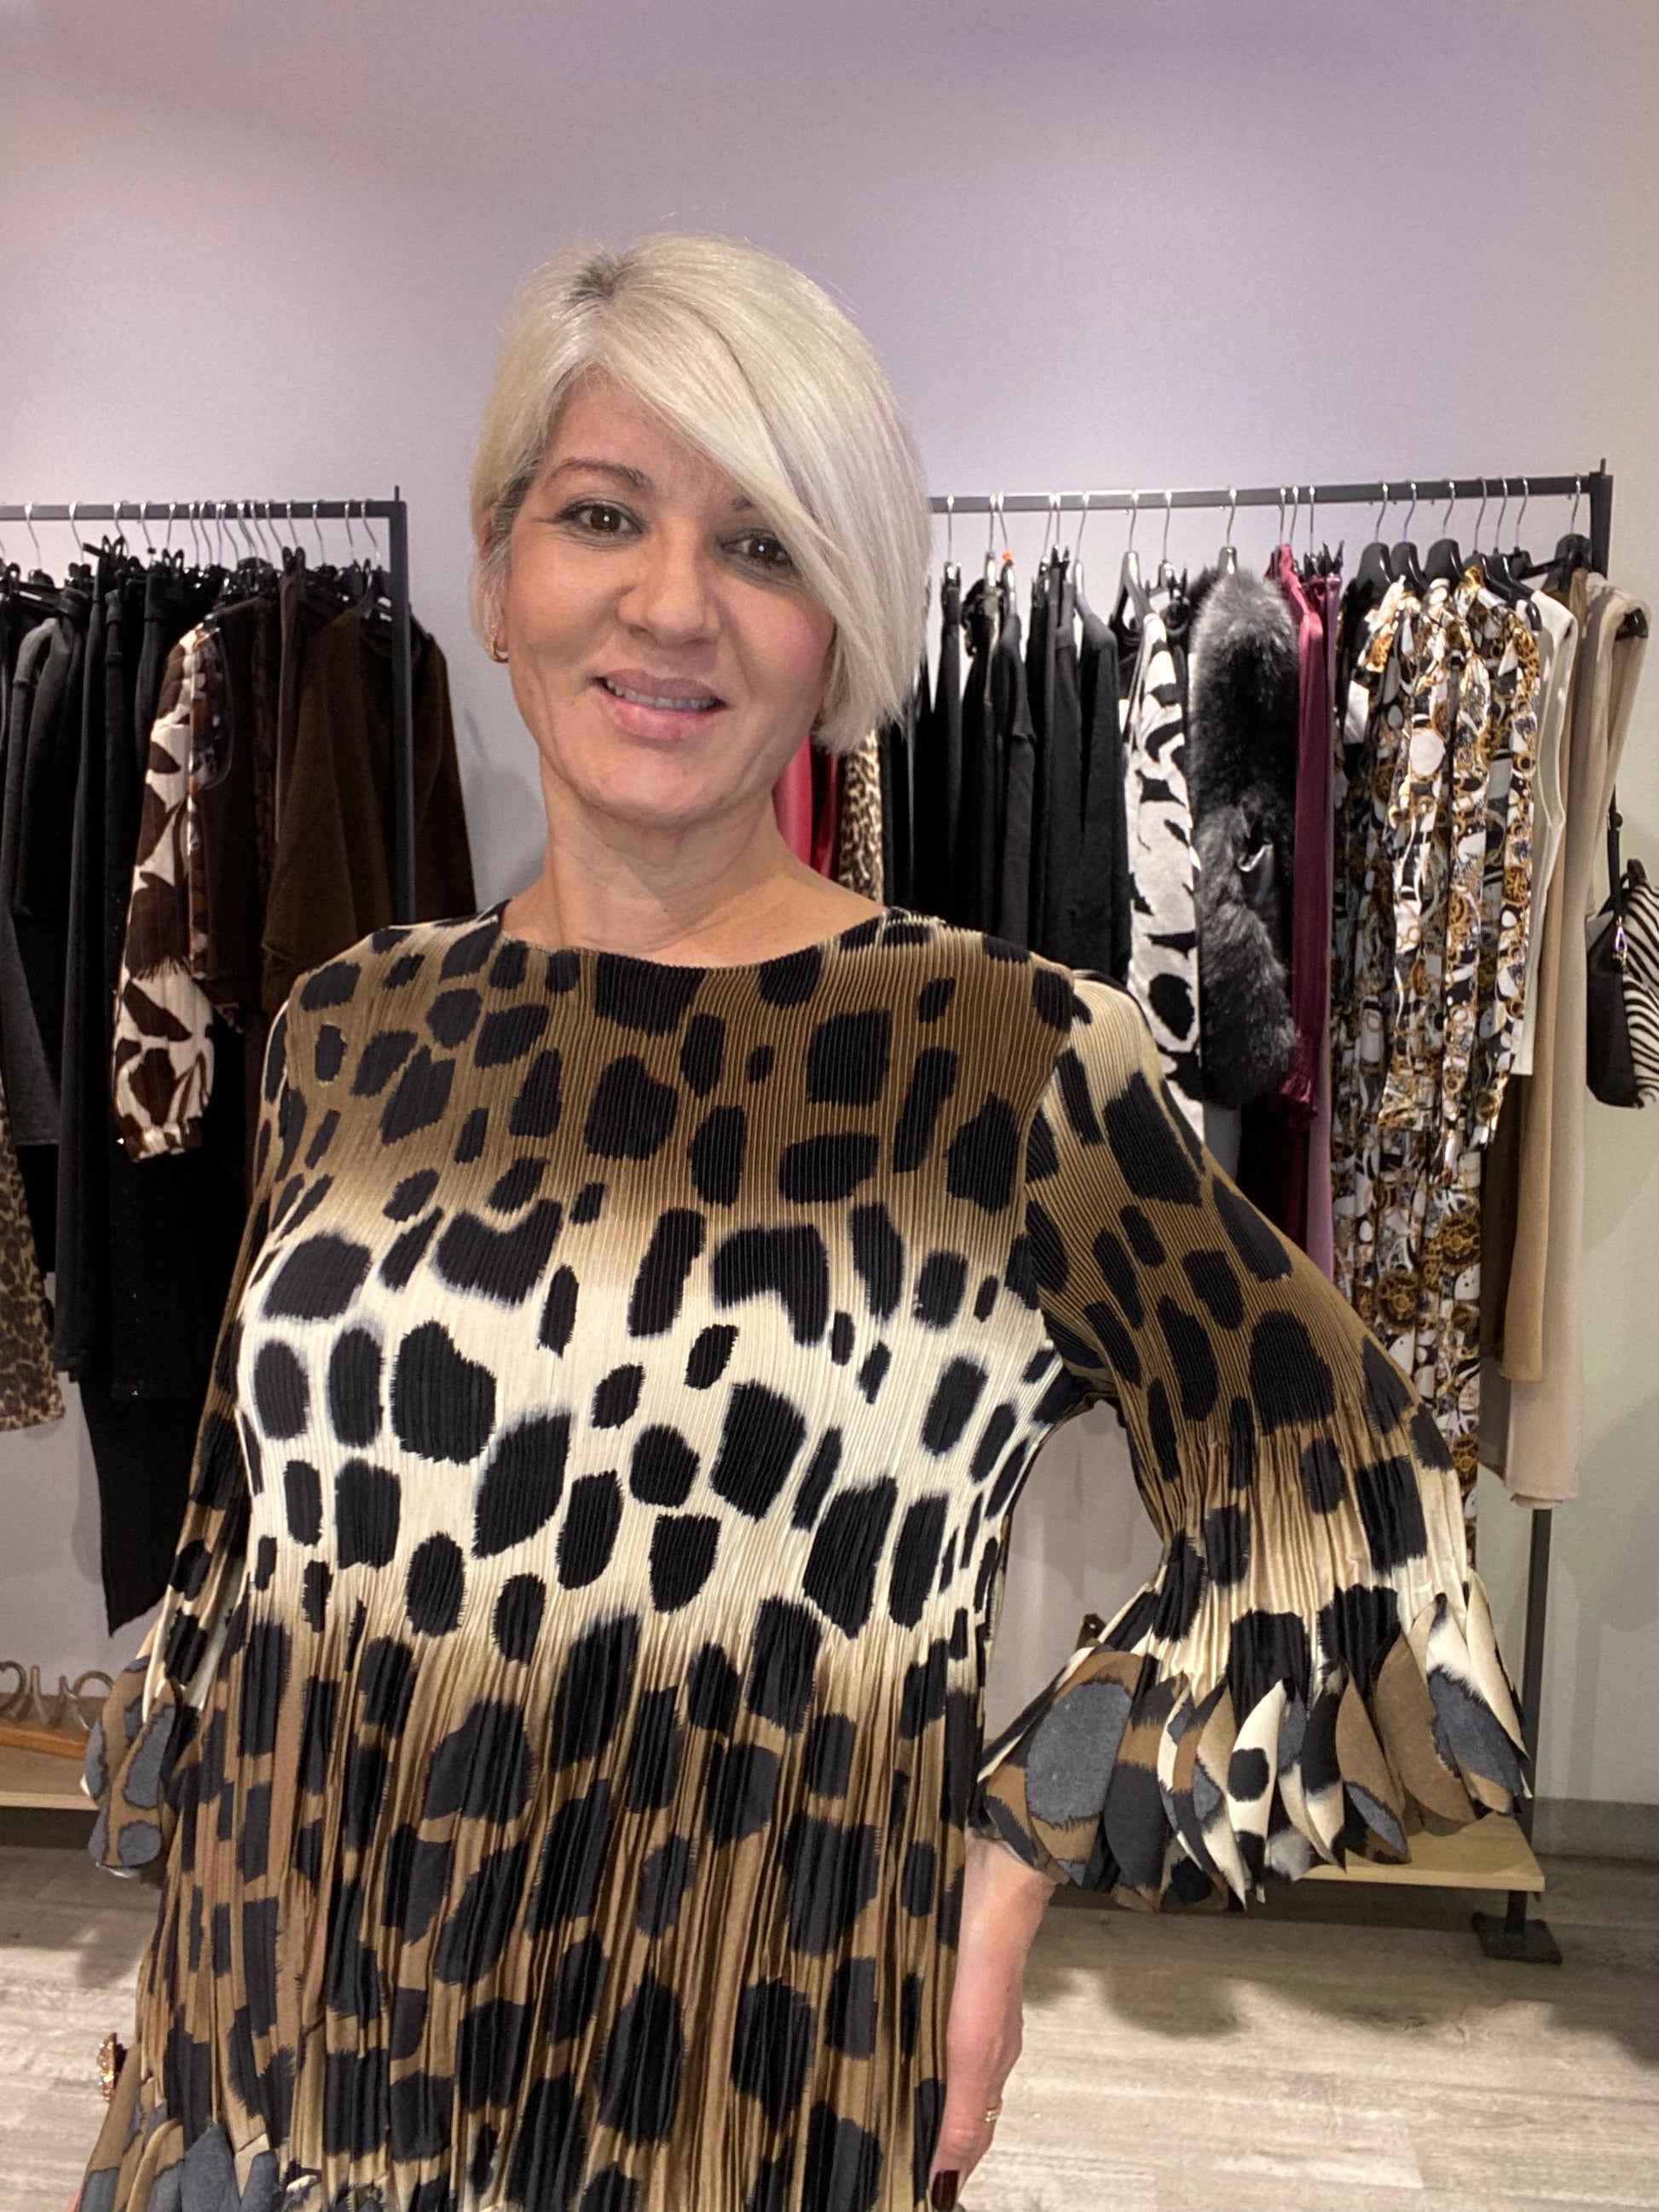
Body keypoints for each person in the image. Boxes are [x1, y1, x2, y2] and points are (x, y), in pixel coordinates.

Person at [78, 234, 1523, 2212]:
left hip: (738, 2088)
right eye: (603, 514)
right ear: (496, 569)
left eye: (761, 544)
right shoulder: (349, 1029)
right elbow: (252, 1547)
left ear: (838, 631)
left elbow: (1356, 1496)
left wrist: (1006, 1870)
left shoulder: (1007, 1059)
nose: (671, 601)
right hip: (289, 2062)